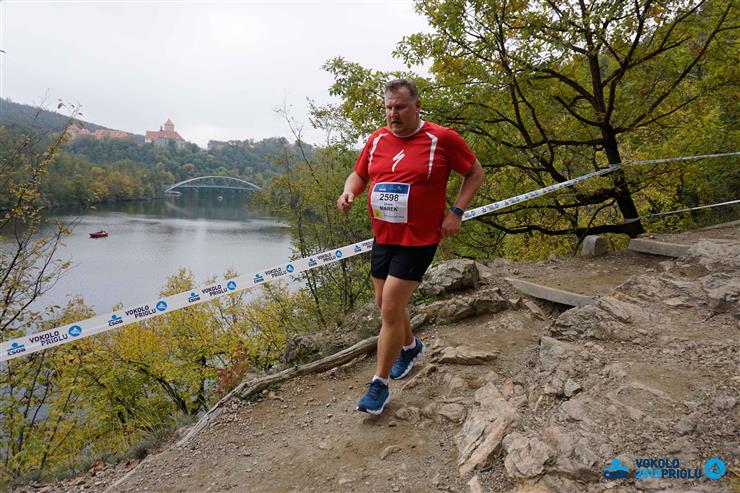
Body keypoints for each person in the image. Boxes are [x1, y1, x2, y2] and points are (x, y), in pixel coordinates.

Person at [336, 78, 484, 415]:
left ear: (417, 106)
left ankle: (379, 385)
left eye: (400, 107)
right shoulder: (377, 139)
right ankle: (411, 346)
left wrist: (456, 212)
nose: (393, 113)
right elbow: (359, 175)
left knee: (390, 308)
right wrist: (349, 192)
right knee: (385, 303)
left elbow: (475, 173)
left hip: (419, 239)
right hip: (384, 236)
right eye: (389, 107)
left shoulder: (442, 139)